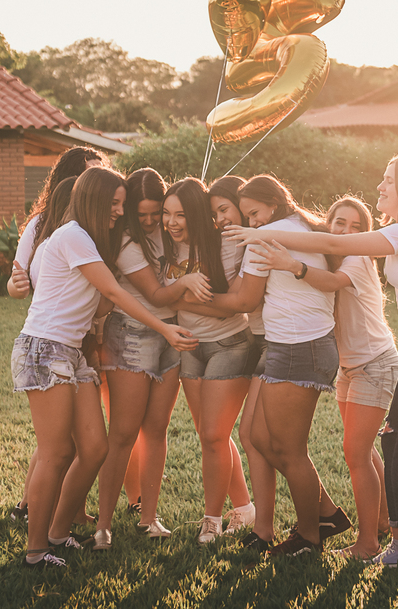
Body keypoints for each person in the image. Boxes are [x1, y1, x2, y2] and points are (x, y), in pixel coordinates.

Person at [224, 153, 398, 570]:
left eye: (389, 180)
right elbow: (332, 245)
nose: (381, 187)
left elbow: (333, 244)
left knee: (395, 442)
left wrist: (260, 234)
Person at [12, 166, 195, 570]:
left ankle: (57, 533)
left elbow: (97, 302)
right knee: (56, 452)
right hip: (45, 349)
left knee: (94, 448)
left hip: (71, 352)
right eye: (114, 203)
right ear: (93, 199)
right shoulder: (73, 235)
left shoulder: (85, 241)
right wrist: (164, 327)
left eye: (121, 204)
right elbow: (110, 291)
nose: (119, 211)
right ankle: (36, 551)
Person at [206, 175, 349, 556]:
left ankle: (309, 537)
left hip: (298, 347)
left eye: (255, 213)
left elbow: (245, 300)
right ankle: (324, 515)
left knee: (289, 450)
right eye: (249, 217)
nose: (252, 222)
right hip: (299, 345)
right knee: (259, 437)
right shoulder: (304, 227)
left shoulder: (264, 238)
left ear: (272, 204)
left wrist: (184, 300)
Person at [248, 196, 397, 559]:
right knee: (362, 450)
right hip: (350, 367)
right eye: (339, 223)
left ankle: (368, 543)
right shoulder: (330, 255)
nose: (345, 232)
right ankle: (382, 521)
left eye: (356, 227)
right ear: (326, 225)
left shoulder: (357, 259)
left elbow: (329, 283)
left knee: (356, 453)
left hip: (374, 364)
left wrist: (290, 264)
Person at [94, 168, 211, 547]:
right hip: (131, 335)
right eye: (141, 214)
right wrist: (186, 282)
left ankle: (150, 518)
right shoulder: (127, 241)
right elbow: (157, 295)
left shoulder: (172, 231)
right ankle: (103, 525)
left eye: (155, 213)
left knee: (157, 429)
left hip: (171, 336)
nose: (149, 221)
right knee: (123, 433)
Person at [7, 146, 109, 525]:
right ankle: (29, 509)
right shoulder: (43, 224)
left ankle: (69, 513)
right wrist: (16, 286)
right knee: (57, 440)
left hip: (84, 338)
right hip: (51, 334)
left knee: (81, 438)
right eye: (85, 174)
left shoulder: (94, 225)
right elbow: (16, 281)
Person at [162, 177, 257, 545]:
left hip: (228, 344)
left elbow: (230, 306)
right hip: (190, 348)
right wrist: (180, 291)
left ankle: (212, 520)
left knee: (214, 435)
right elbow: (155, 295)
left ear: (196, 214)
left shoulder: (224, 244)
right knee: (211, 435)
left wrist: (178, 298)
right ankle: (244, 508)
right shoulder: (165, 247)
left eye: (181, 215)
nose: (172, 222)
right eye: (167, 213)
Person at [207, 176, 265, 540]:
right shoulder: (234, 242)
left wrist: (181, 297)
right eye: (214, 214)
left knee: (260, 438)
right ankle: (249, 512)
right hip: (258, 339)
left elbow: (240, 301)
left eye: (224, 209)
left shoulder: (255, 242)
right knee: (234, 434)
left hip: (268, 342)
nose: (220, 220)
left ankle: (264, 522)